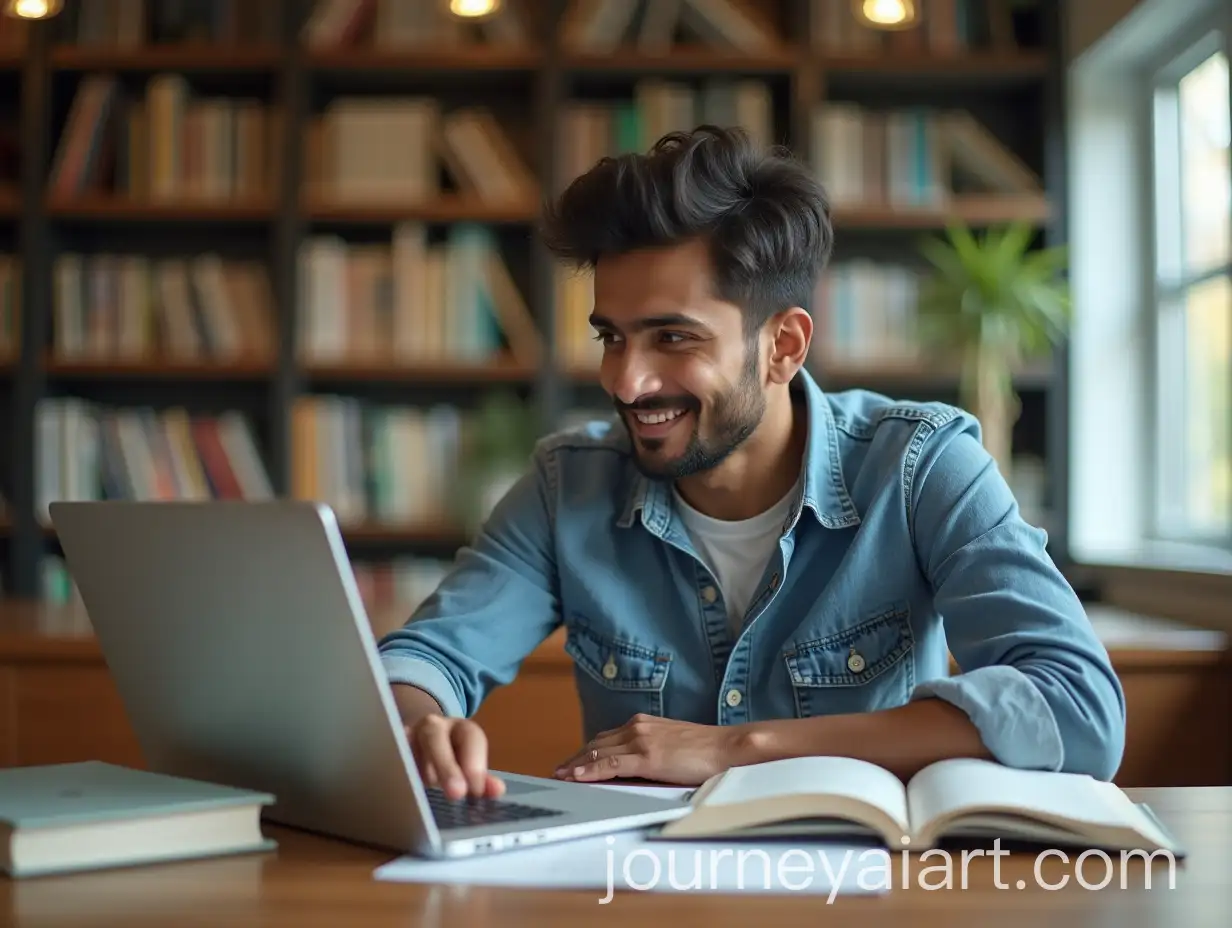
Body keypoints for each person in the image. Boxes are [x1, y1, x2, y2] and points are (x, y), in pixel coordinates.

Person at [377, 125, 1125, 801]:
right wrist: (418, 724)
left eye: (673, 338)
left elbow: (1081, 709)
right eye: (612, 337)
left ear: (784, 346)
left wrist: (739, 749)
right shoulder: (565, 485)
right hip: (639, 892)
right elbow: (424, 659)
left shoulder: (921, 467)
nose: (625, 382)